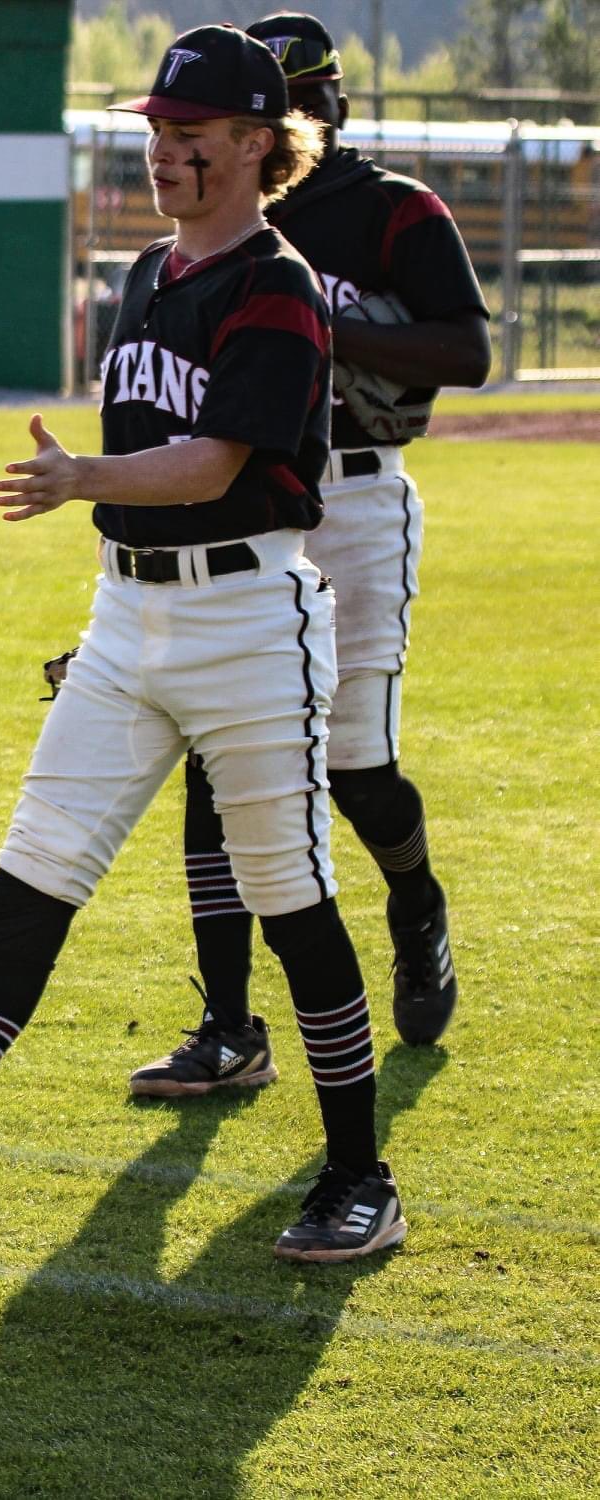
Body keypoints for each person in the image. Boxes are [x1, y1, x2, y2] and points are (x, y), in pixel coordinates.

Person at [0, 25, 410, 1265]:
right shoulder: (146, 276)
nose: (163, 152)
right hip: (130, 615)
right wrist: (116, 580)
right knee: (29, 882)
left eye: (191, 134)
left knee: (290, 902)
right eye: (153, 132)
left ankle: (359, 1173)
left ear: (258, 144)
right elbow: (162, 466)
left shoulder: (276, 283)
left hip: (248, 617)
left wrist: (80, 478)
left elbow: (214, 462)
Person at [125, 10, 491, 1097]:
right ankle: (229, 1025)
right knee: (211, 753)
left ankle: (413, 899)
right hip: (234, 493)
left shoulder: (389, 209)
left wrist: (320, 328)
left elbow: (465, 348)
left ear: (316, 106)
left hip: (354, 491)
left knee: (352, 768)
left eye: (288, 104)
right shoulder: (206, 235)